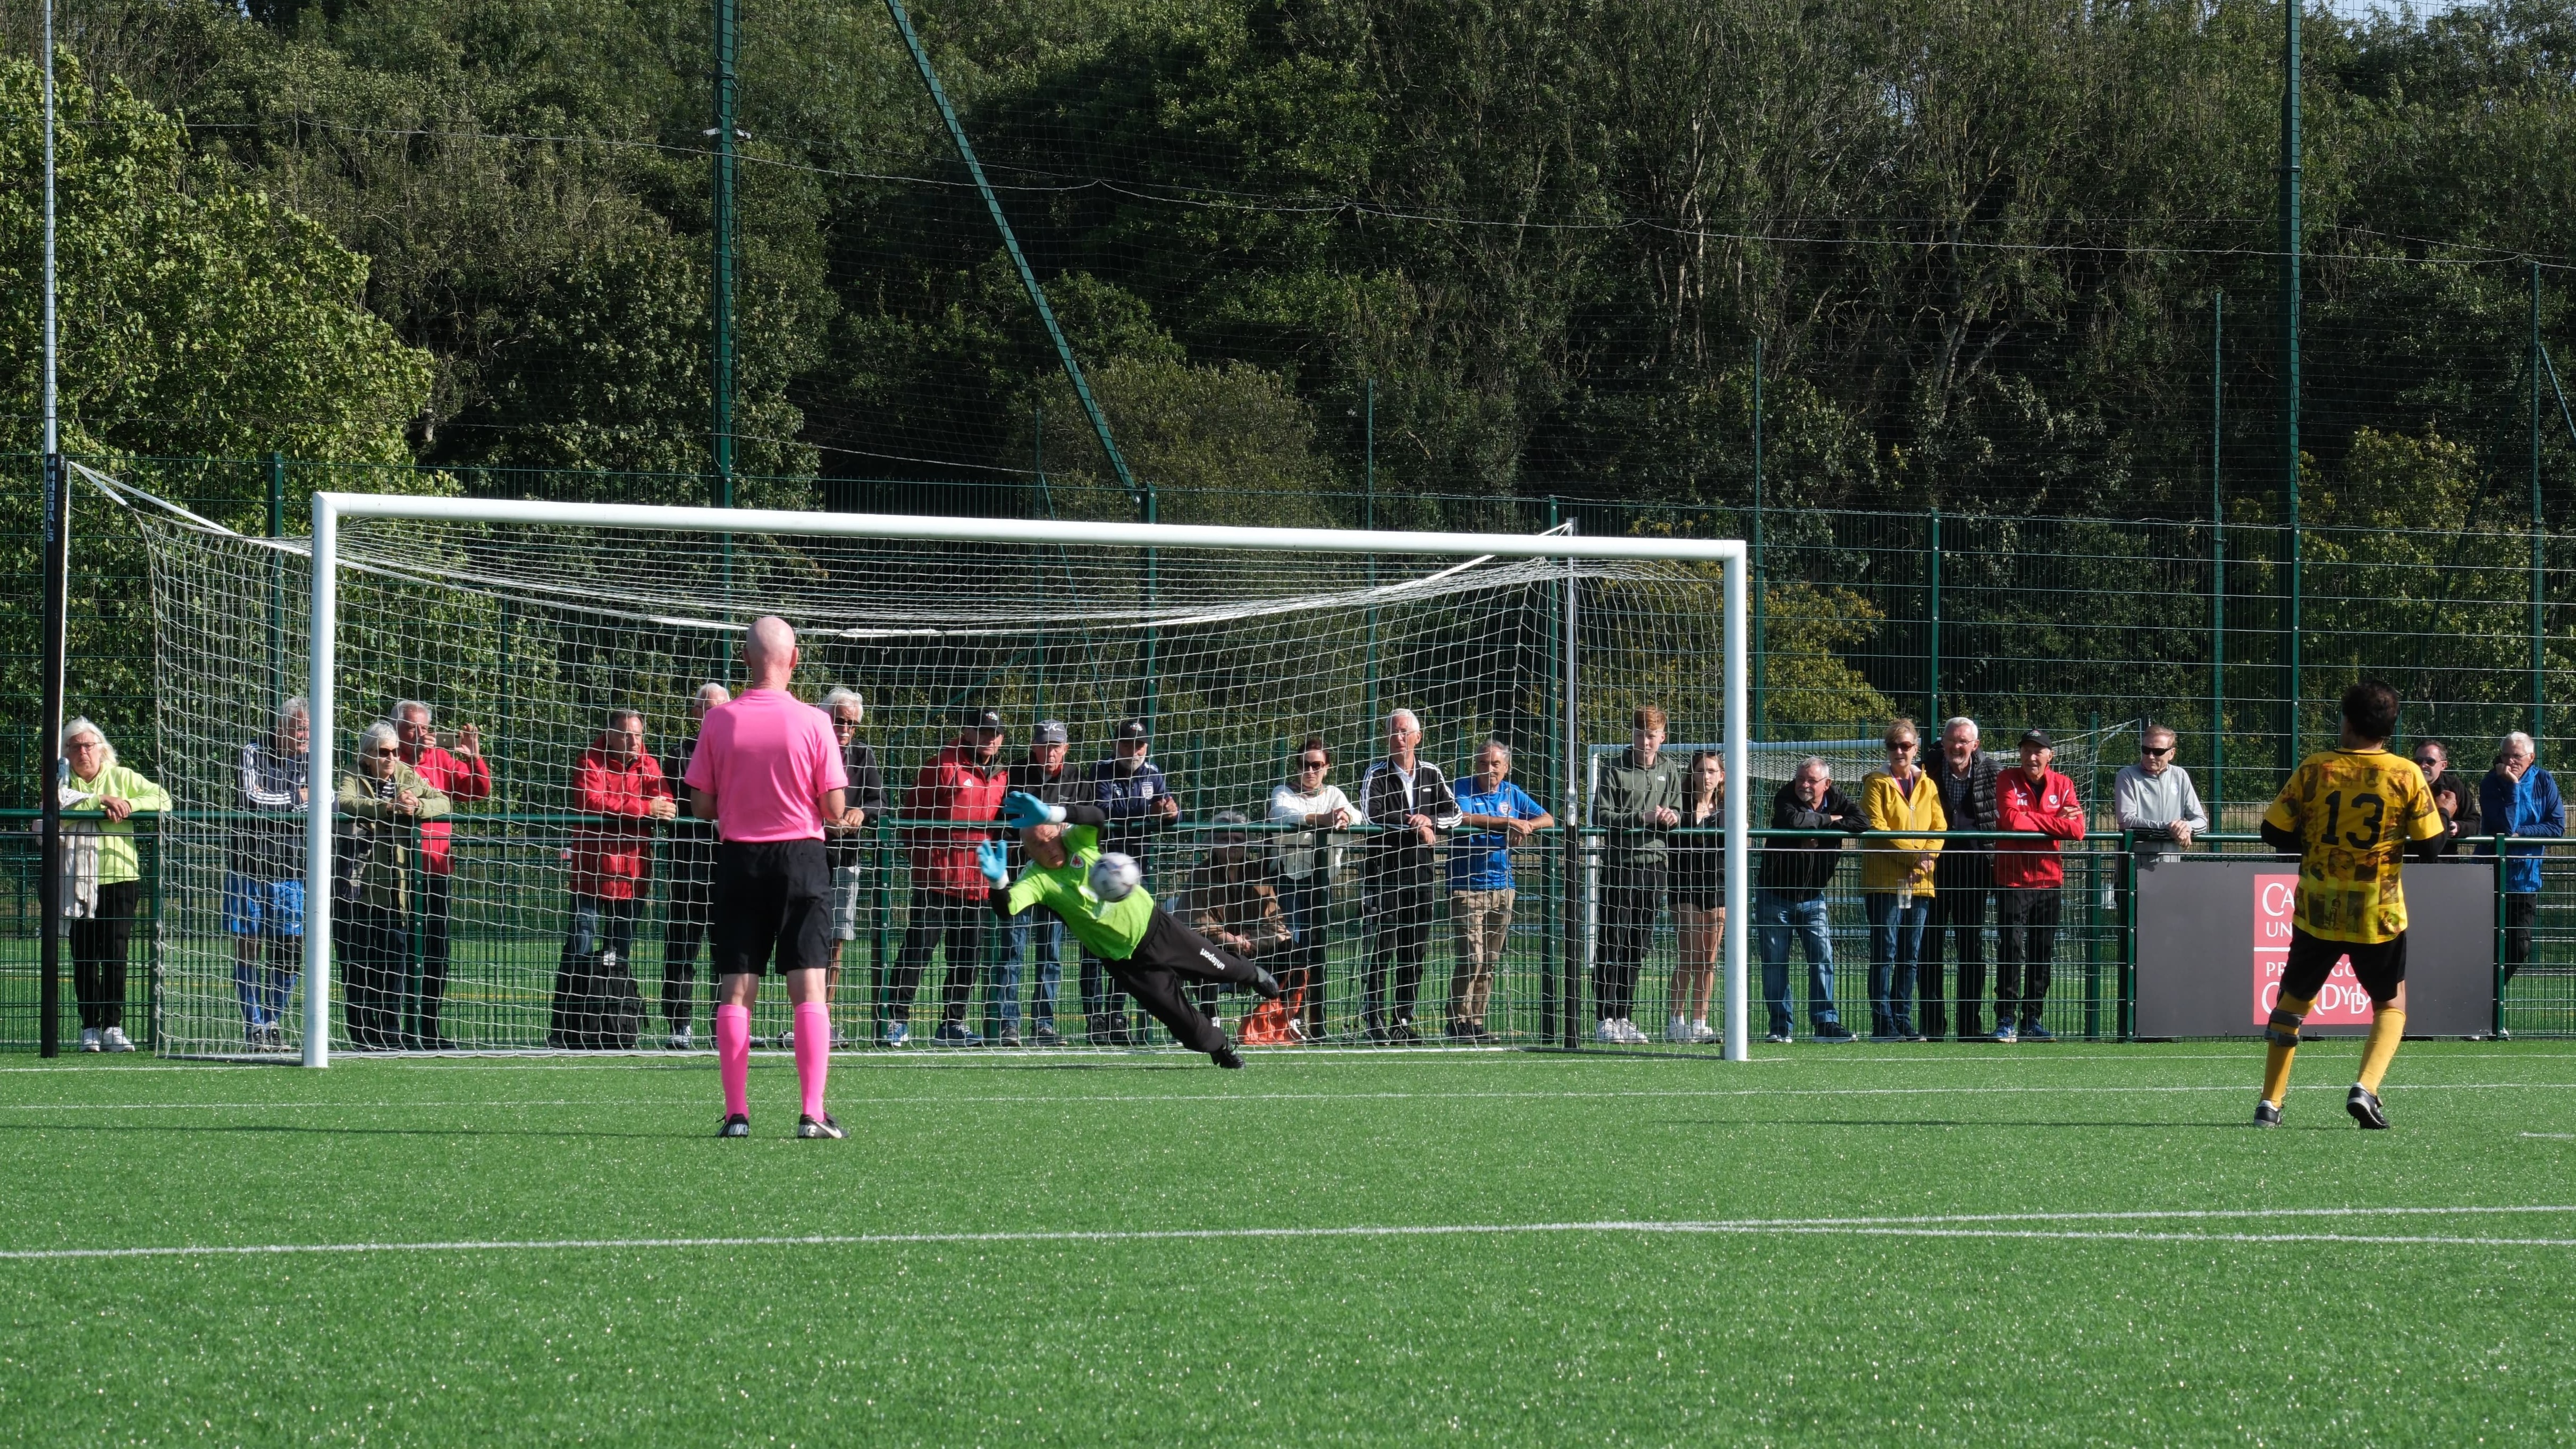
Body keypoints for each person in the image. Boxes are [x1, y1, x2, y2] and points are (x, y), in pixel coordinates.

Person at [685, 616, 849, 1139]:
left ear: (745, 658)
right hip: (801, 856)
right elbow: (833, 806)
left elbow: (702, 803)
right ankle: (812, 1111)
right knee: (809, 986)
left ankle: (737, 1114)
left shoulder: (718, 720)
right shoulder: (816, 722)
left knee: (736, 989)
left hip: (740, 859)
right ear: (794, 659)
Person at [2255, 680, 2445, 1129]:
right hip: (2378, 911)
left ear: (2347, 721)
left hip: (2318, 908)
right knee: (2390, 1003)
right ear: (2389, 728)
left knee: (2292, 1005)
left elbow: (2273, 833)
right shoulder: (2405, 774)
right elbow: (2433, 847)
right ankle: (2366, 1088)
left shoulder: (2317, 768)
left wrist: (2315, 844)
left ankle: (2270, 1103)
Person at [981, 791, 1281, 1067]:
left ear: (1059, 831)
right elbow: (1007, 907)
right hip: (1128, 963)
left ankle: (1253, 974)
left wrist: (1053, 811)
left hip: (1158, 928)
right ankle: (1220, 1047)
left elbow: (1097, 816)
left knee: (1221, 965)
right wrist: (998, 883)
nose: (1046, 848)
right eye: (1036, 845)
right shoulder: (1036, 879)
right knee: (1186, 1028)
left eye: (1048, 837)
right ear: (1028, 852)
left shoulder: (1079, 842)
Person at [551, 707, 675, 1049]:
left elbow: (665, 800)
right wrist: (643, 809)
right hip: (592, 876)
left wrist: (657, 806)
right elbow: (591, 801)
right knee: (580, 951)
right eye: (627, 734)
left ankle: (613, 1027)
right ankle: (567, 1029)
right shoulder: (589, 761)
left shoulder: (649, 764)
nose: (634, 741)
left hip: (633, 877)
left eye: (638, 735)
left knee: (619, 956)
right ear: (611, 734)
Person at [893, 708, 1009, 1047]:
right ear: (968, 732)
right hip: (936, 879)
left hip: (977, 883)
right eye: (984, 731)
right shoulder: (942, 765)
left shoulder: (1004, 774)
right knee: (918, 950)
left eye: (997, 733)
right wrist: (923, 863)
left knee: (968, 955)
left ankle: (952, 1024)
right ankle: (896, 1020)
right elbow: (911, 815)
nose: (991, 738)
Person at [334, 719, 450, 1050]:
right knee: (356, 965)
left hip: (393, 888)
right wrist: (387, 808)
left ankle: (391, 1032)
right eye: (384, 753)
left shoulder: (406, 776)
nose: (391, 758)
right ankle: (361, 1033)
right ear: (368, 754)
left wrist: (419, 806)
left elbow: (444, 802)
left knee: (393, 961)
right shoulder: (352, 775)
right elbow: (344, 802)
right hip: (354, 887)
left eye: (396, 752)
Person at [56, 719, 171, 1052]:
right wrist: (101, 801)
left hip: (121, 877)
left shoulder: (123, 776)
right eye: (75, 746)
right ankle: (89, 1028)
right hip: (76, 879)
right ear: (66, 753)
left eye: (88, 745)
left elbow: (163, 799)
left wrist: (130, 804)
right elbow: (57, 807)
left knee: (116, 954)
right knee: (84, 956)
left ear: (101, 749)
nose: (82, 752)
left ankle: (113, 1027)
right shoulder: (61, 780)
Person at [1357, 709, 1461, 1041]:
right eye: (1393, 732)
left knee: (1414, 949)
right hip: (1384, 874)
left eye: (1405, 732)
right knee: (1381, 947)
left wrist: (1430, 822)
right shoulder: (1375, 774)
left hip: (1421, 876)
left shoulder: (1432, 773)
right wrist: (1412, 822)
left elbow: (1454, 813)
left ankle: (1403, 1020)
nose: (1399, 738)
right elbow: (1371, 814)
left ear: (1418, 737)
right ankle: (1373, 1020)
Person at [393, 700, 491, 1048]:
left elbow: (478, 791)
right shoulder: (390, 761)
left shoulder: (442, 760)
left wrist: (473, 756)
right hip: (398, 869)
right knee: (401, 949)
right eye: (411, 727)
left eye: (424, 727)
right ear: (397, 730)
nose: (420, 733)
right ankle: (399, 1028)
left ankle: (429, 1028)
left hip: (436, 869)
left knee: (436, 950)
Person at [1446, 738, 1554, 1043]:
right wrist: (1506, 822)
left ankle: (1476, 1022)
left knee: (1490, 960)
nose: (1489, 769)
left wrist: (1526, 827)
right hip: (1466, 886)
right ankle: (1457, 1021)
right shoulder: (1462, 788)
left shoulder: (1512, 793)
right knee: (1472, 957)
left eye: (1496, 764)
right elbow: (1463, 818)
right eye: (1483, 763)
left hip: (1503, 886)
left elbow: (1548, 817)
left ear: (1506, 768)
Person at [1756, 756, 1866, 1042]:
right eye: (1801, 779)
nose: (1804, 785)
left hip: (1814, 898)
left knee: (1822, 957)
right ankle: (1780, 1027)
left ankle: (1826, 1024)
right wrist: (1829, 821)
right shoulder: (1785, 795)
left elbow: (1862, 822)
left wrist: (1816, 827)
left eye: (1811, 781)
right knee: (1775, 963)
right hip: (1774, 896)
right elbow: (1792, 819)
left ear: (1826, 784)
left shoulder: (1838, 797)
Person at [1085, 718, 1181, 1043]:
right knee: (1096, 945)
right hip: (1101, 873)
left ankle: (1117, 1015)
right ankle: (1095, 1016)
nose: (1134, 750)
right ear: (1116, 745)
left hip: (1137, 876)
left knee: (1131, 945)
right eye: (1127, 743)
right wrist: (1147, 812)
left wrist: (1170, 812)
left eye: (1139, 744)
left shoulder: (1153, 774)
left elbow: (1170, 810)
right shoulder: (1101, 770)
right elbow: (1104, 811)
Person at [1589, 707, 1682, 1044]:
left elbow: (1679, 809)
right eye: (1640, 734)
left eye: (1652, 736)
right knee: (1613, 939)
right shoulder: (1614, 769)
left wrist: (1672, 816)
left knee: (1638, 943)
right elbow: (1601, 813)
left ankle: (1625, 1015)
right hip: (1621, 864)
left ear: (1662, 738)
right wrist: (1641, 817)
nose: (1646, 741)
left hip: (1656, 866)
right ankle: (1605, 1017)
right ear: (1632, 735)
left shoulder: (1670, 769)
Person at [1990, 728, 2086, 1042]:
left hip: (2049, 880)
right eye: (2027, 750)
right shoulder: (2007, 778)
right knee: (2011, 948)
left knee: (2042, 951)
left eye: (2039, 751)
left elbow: (2077, 831)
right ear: (2020, 754)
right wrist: (2054, 819)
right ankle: (2006, 1018)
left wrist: (2037, 819)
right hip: (2013, 879)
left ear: (2050, 755)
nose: (2032, 756)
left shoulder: (2064, 783)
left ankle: (2032, 1019)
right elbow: (2010, 821)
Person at [809, 687, 887, 1051]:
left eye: (852, 724)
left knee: (837, 939)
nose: (846, 729)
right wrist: (827, 821)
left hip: (847, 860)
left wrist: (861, 813)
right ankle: (801, 1015)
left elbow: (878, 801)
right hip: (808, 855)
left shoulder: (863, 754)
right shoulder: (809, 747)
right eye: (840, 721)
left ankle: (824, 1014)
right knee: (806, 936)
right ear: (825, 717)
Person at [1262, 736, 1354, 1043]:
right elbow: (1281, 815)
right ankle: (1285, 1014)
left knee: (1317, 949)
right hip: (1288, 880)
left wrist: (1344, 817)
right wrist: (1321, 819)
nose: (1310, 770)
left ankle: (1312, 1019)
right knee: (1291, 946)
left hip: (1321, 881)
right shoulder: (1283, 792)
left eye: (1317, 765)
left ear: (1327, 767)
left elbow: (1358, 817)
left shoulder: (1335, 794)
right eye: (1304, 764)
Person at [230, 697, 309, 1051]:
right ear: (281, 729)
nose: (306, 736)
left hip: (293, 868)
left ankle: (274, 1018)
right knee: (249, 945)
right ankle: (254, 1024)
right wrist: (294, 797)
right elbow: (252, 797)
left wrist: (290, 798)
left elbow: (322, 798)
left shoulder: (313, 758)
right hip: (248, 865)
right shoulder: (252, 751)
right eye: (300, 729)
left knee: (290, 948)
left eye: (309, 729)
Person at [1861, 718, 1945, 1042]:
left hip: (1920, 883)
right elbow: (1878, 830)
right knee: (1886, 952)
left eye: (1906, 746)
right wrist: (1915, 858)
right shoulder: (1876, 782)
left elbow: (1939, 828)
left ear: (1916, 748)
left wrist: (1925, 862)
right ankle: (1882, 1023)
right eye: (1894, 746)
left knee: (1910, 955)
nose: (1900, 751)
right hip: (1884, 882)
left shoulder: (1929, 784)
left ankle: (1903, 1019)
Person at [1000, 720, 1080, 1046]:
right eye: (1044, 745)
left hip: (1058, 877)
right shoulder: (1015, 774)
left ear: (1066, 748)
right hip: (1022, 872)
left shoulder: (1077, 777)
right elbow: (1002, 819)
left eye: (1056, 745)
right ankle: (1008, 1023)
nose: (1050, 752)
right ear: (1033, 746)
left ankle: (1044, 1024)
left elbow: (1085, 818)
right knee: (1013, 948)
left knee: (1052, 950)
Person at [658, 683, 729, 1048]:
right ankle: (679, 1024)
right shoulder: (681, 753)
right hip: (689, 865)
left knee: (728, 949)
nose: (711, 714)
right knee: (683, 945)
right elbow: (688, 795)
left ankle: (726, 1024)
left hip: (731, 863)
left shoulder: (738, 748)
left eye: (718, 708)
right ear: (694, 712)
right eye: (705, 707)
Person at [1188, 811, 1294, 1029]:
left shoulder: (1258, 873)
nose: (1232, 844)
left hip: (1254, 946)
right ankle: (1210, 1018)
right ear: (1212, 843)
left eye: (1238, 839)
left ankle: (1287, 1017)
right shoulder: (1200, 874)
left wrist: (1251, 940)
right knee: (1199, 950)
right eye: (1225, 839)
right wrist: (1230, 939)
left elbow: (1277, 925)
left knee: (1293, 949)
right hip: (1217, 947)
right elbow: (1196, 924)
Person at [1926, 718, 1998, 1040]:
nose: (1957, 747)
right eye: (1952, 740)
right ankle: (1933, 1026)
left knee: (1972, 948)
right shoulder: (1924, 770)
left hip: (1975, 872)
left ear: (1975, 745)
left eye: (1964, 741)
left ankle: (1970, 1026)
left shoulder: (1994, 772)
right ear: (1943, 743)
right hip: (1931, 871)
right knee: (1929, 949)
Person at [2479, 731, 2563, 985]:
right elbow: (2505, 828)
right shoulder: (2492, 783)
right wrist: (2513, 786)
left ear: (2531, 757)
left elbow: (2557, 826)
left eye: (2516, 756)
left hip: (2525, 880)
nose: (2510, 761)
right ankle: (2481, 1006)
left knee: (2519, 947)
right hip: (2490, 877)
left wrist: (2523, 832)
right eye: (2505, 755)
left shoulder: (2544, 781)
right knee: (2486, 947)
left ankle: (2489, 999)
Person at [1664, 749, 1727, 1044]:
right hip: (1684, 885)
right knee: (1688, 954)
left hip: (1718, 886)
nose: (1707, 776)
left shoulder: (1729, 808)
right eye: (1701, 770)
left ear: (1721, 776)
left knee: (1709, 958)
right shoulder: (1681, 806)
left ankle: (1700, 1021)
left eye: (1712, 771)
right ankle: (1676, 1021)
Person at [2113, 724, 2209, 864]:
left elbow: (2201, 820)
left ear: (2172, 753)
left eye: (2158, 752)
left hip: (2170, 866)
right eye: (2146, 750)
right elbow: (2127, 822)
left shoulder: (2180, 775)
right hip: (2134, 865)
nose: (2150, 756)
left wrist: (2186, 828)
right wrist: (2169, 829)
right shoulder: (2127, 775)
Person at [2414, 739, 2479, 855]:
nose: (2423, 765)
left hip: (2446, 859)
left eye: (2430, 762)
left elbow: (2475, 822)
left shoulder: (2453, 785)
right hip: (2410, 858)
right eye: (2418, 761)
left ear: (2443, 765)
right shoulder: (2406, 785)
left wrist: (2458, 827)